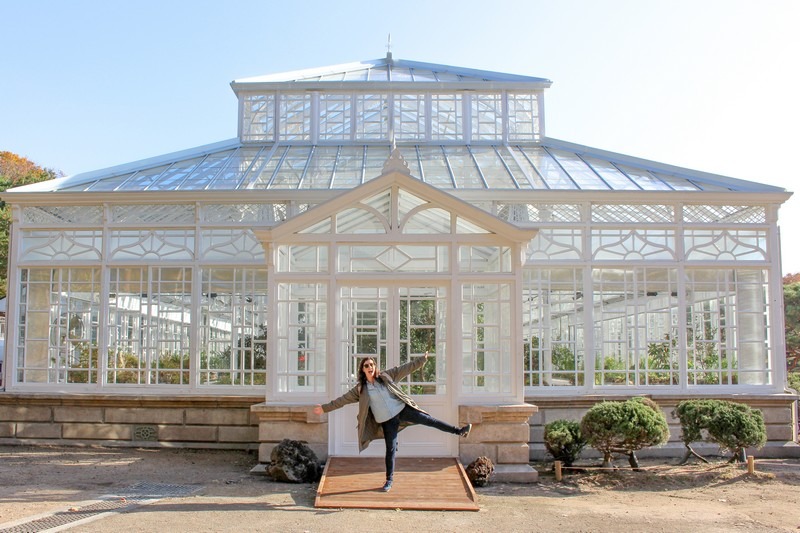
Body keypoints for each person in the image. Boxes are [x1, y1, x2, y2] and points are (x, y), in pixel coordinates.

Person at [313, 352, 471, 492]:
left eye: (372, 364)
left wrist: (421, 360)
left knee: (429, 420)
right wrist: (325, 408)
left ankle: (459, 431)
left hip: (402, 410)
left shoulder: (386, 377)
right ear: (362, 369)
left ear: (375, 367)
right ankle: (389, 480)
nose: (370, 367)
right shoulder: (360, 390)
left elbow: (405, 368)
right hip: (387, 422)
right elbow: (342, 400)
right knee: (390, 450)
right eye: (367, 365)